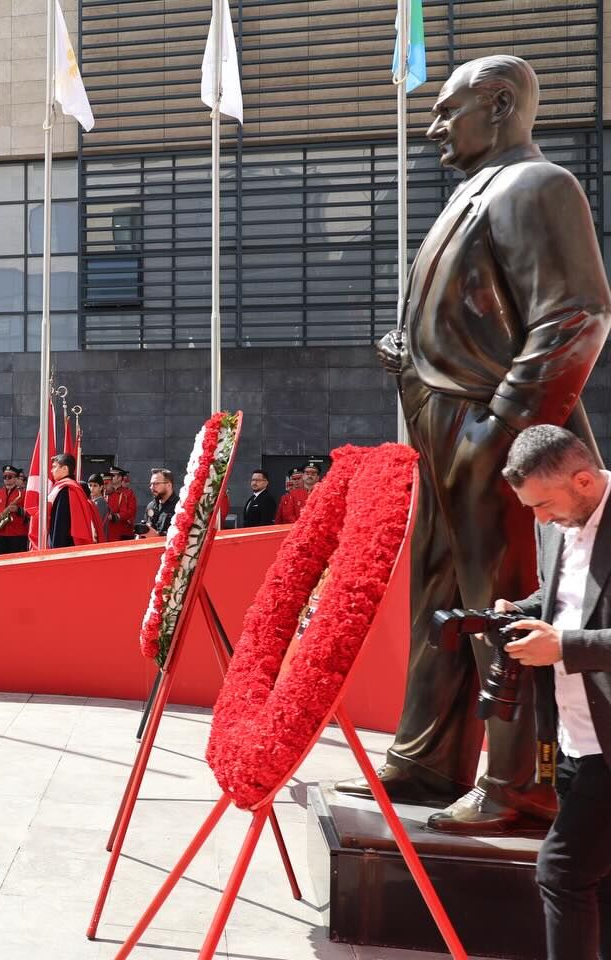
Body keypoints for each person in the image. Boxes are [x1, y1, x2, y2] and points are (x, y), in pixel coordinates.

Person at [338, 56, 611, 834]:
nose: (432, 128)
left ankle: (515, 781)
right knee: (440, 598)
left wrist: (503, 427)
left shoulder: (538, 185)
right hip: (448, 428)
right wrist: (414, 350)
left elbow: (578, 315)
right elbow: (476, 316)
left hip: (495, 434)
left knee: (499, 607)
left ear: (498, 105)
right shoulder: (474, 193)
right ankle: (428, 757)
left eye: (446, 111)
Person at [492, 427, 611, 958]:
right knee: (593, 879)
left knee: (560, 872)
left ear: (583, 480)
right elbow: (562, 596)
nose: (538, 519)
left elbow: (572, 630)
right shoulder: (555, 522)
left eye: (543, 505)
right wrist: (520, 612)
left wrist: (562, 645)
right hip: (568, 739)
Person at [47, 455, 99, 548]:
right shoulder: (70, 487)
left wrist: (55, 550)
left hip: (64, 547)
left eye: (54, 467)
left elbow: (60, 524)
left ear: (65, 469)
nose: (51, 470)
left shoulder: (66, 489)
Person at [0, 466, 29, 554]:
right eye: (5, 477)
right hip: (1, 533)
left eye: (10, 477)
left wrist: (18, 509)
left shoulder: (23, 493)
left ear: (16, 478)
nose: (7, 479)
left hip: (18, 534)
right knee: (1, 561)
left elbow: (30, 512)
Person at [139, 468, 178, 537]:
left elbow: (181, 535)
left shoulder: (179, 506)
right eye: (151, 484)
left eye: (156, 484)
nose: (151, 487)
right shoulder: (150, 506)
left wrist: (157, 535)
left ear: (169, 485)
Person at [106, 467, 138, 540]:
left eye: (113, 475)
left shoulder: (128, 493)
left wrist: (116, 516)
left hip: (123, 531)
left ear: (120, 478)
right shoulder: (106, 492)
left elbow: (131, 511)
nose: (111, 477)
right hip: (108, 530)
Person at [88, 473, 111, 541]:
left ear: (101, 487)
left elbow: (95, 524)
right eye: (90, 485)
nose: (92, 488)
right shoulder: (94, 501)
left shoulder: (100, 502)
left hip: (98, 539)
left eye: (95, 486)